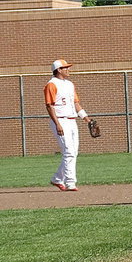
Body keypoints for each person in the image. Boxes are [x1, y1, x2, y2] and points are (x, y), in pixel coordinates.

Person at [44, 59, 95, 192]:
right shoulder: (51, 84)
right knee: (69, 152)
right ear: (59, 70)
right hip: (60, 120)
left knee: (73, 152)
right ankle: (70, 182)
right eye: (65, 68)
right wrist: (57, 124)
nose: (68, 70)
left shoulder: (70, 84)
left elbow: (76, 103)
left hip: (72, 120)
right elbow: (49, 106)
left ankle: (57, 178)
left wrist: (87, 119)